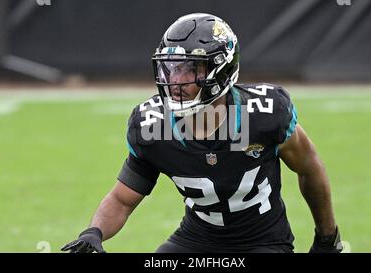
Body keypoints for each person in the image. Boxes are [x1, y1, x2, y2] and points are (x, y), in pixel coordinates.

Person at [61, 13, 342, 253]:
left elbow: (310, 168)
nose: (175, 81)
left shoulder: (264, 114)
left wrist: (327, 237)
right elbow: (122, 198)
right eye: (171, 68)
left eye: (190, 69)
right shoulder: (153, 126)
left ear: (221, 70)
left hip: (263, 243)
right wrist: (94, 232)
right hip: (196, 240)